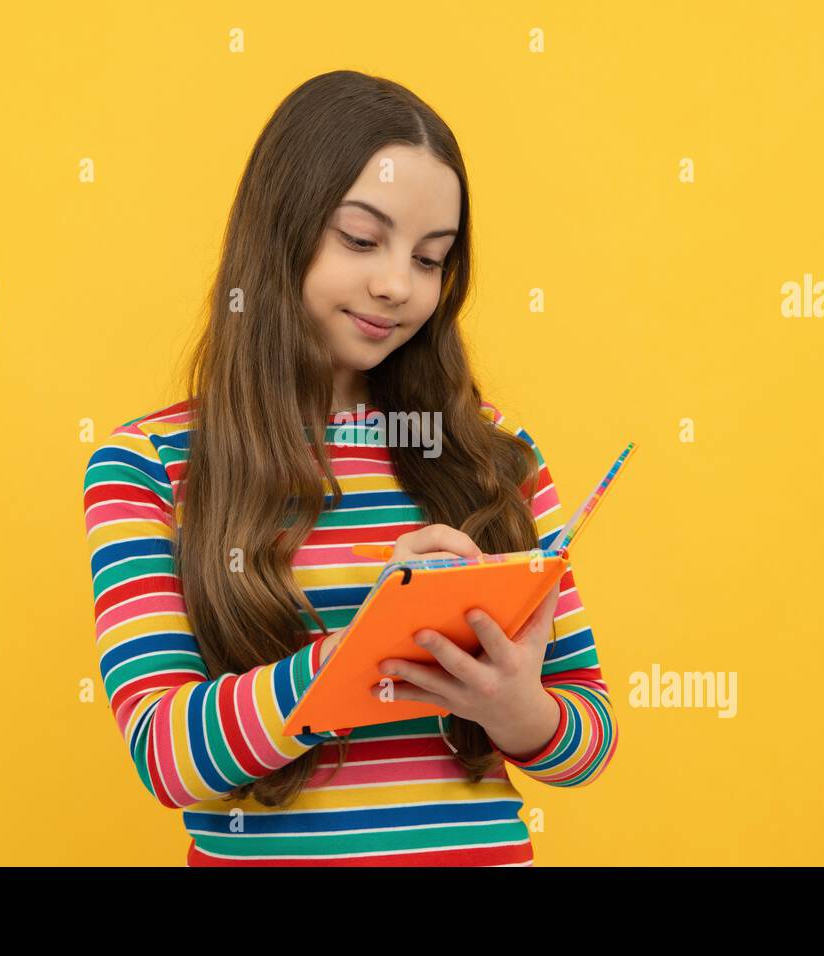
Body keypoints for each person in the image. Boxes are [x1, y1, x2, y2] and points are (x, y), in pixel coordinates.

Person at [82, 70, 617, 866]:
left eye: (431, 259)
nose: (397, 285)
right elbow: (167, 758)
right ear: (280, 230)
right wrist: (361, 647)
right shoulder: (148, 466)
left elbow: (589, 738)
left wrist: (519, 711)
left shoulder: (495, 454)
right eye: (362, 240)